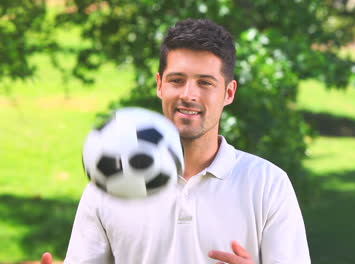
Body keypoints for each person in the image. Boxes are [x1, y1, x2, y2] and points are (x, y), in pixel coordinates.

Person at [41, 18, 310, 264]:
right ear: (160, 85)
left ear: (229, 92)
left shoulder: (268, 184)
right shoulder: (110, 182)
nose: (189, 94)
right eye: (177, 80)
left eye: (205, 83)